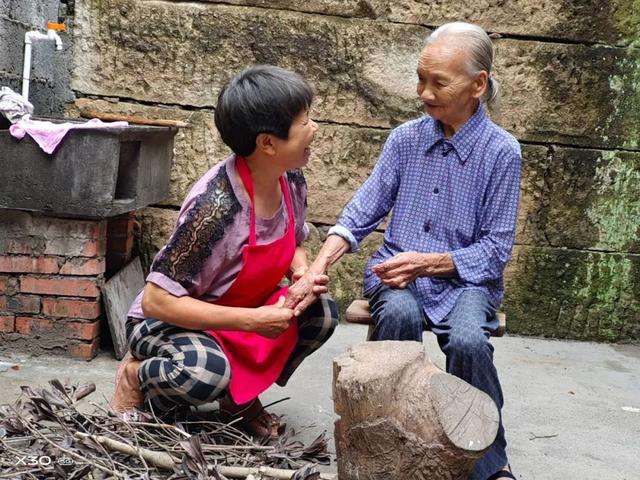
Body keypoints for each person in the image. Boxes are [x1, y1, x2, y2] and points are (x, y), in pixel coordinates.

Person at [299, 22, 521, 480]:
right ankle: (386, 446)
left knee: (467, 342)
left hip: (466, 281)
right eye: (420, 79)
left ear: (478, 85)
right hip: (398, 276)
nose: (423, 92)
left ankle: (488, 462)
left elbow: (496, 250)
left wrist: (431, 263)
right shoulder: (405, 139)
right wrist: (317, 266)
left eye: (438, 82)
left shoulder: (502, 153)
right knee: (397, 317)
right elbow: (361, 211)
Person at [109, 65, 338, 440]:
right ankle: (134, 375)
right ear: (267, 143)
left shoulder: (291, 176)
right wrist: (252, 321)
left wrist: (301, 272)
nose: (314, 128)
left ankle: (239, 398)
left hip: (240, 312)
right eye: (304, 121)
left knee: (321, 313)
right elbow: (156, 301)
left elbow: (295, 238)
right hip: (166, 322)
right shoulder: (216, 209)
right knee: (203, 372)